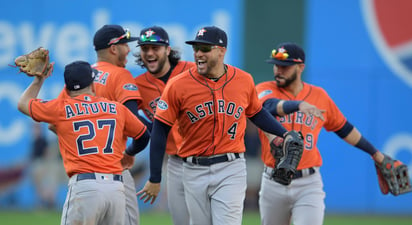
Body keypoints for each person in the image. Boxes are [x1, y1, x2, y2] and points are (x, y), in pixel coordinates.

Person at [138, 26, 294, 225]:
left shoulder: (243, 80)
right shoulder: (178, 85)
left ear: (222, 51)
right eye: (196, 49)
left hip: (231, 167)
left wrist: (284, 133)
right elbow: (160, 129)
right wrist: (155, 177)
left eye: (204, 48)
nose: (198, 54)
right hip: (193, 169)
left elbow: (257, 113)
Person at [255, 42, 386, 225]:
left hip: (308, 183)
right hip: (273, 180)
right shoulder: (264, 89)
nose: (278, 70)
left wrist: (375, 153)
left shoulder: (319, 96)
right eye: (276, 65)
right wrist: (298, 105)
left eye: (285, 66)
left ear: (301, 67)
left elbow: (344, 129)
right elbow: (266, 107)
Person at [17, 60, 150, 225]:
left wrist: (39, 80)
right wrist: (129, 153)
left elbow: (23, 104)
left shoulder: (61, 109)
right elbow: (144, 135)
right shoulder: (116, 108)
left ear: (66, 88)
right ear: (92, 84)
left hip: (85, 187)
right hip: (116, 189)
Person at [55, 24, 151, 225]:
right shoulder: (120, 75)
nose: (128, 50)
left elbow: (55, 123)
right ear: (114, 48)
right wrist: (130, 153)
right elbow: (135, 122)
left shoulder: (79, 78)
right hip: (114, 171)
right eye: (125, 44)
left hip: (84, 175)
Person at [134, 25, 195, 225]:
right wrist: (151, 127)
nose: (150, 53)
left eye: (155, 48)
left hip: (205, 159)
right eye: (145, 49)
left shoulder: (192, 71)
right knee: (181, 221)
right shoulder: (139, 85)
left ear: (167, 50)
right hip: (175, 163)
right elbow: (125, 114)